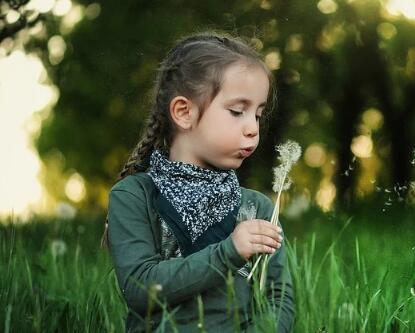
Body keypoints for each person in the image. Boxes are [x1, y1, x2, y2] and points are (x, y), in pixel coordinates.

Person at [100, 31, 295, 332]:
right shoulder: (134, 196)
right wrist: (229, 251)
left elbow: (278, 298)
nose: (253, 129)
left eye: (257, 114)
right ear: (184, 112)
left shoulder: (257, 207)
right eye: (237, 111)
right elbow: (140, 289)